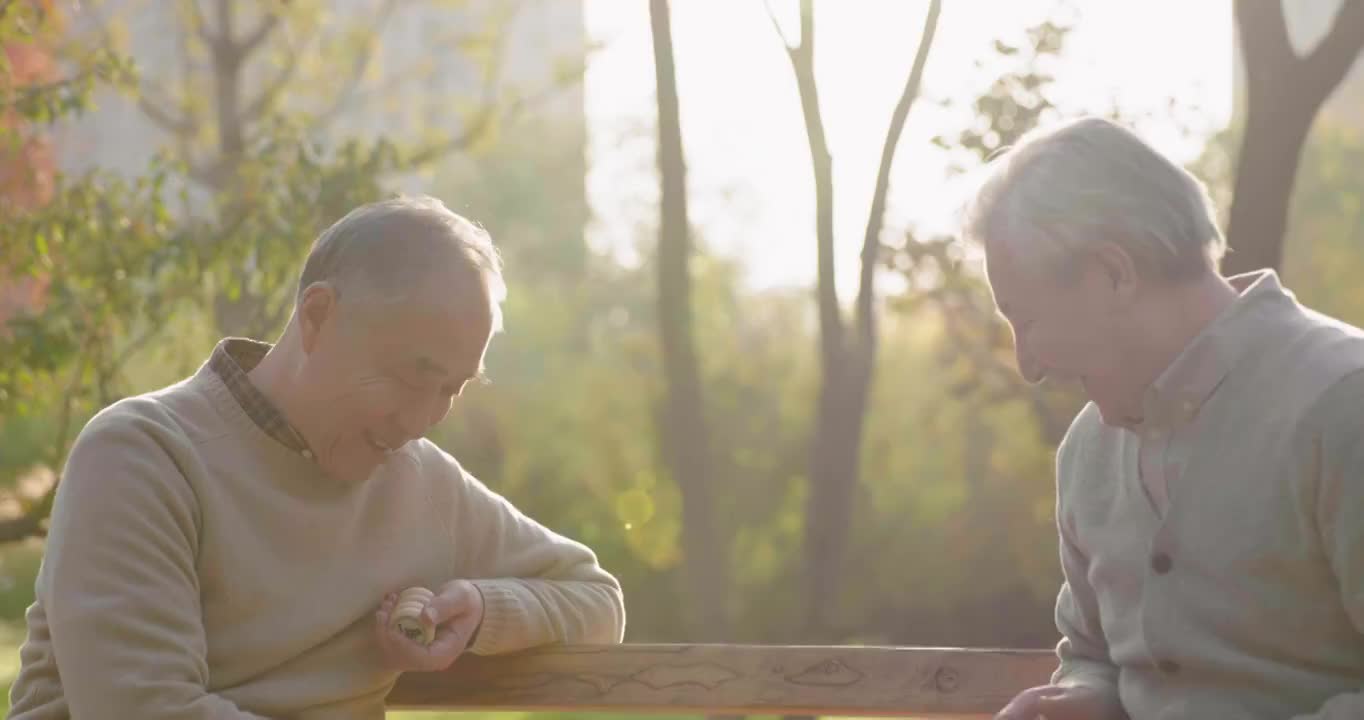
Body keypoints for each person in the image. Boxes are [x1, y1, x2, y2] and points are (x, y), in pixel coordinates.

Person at [6, 195, 627, 719]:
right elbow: (146, 712)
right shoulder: (143, 454)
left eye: (453, 389)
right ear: (319, 317)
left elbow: (595, 600)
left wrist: (483, 608)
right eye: (415, 375)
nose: (422, 420)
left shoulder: (422, 482)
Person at [971, 117, 1364, 720]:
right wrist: (1083, 698)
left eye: (1026, 321)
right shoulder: (1086, 452)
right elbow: (1091, 653)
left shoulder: (1343, 405)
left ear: (1113, 274)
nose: (1027, 366)